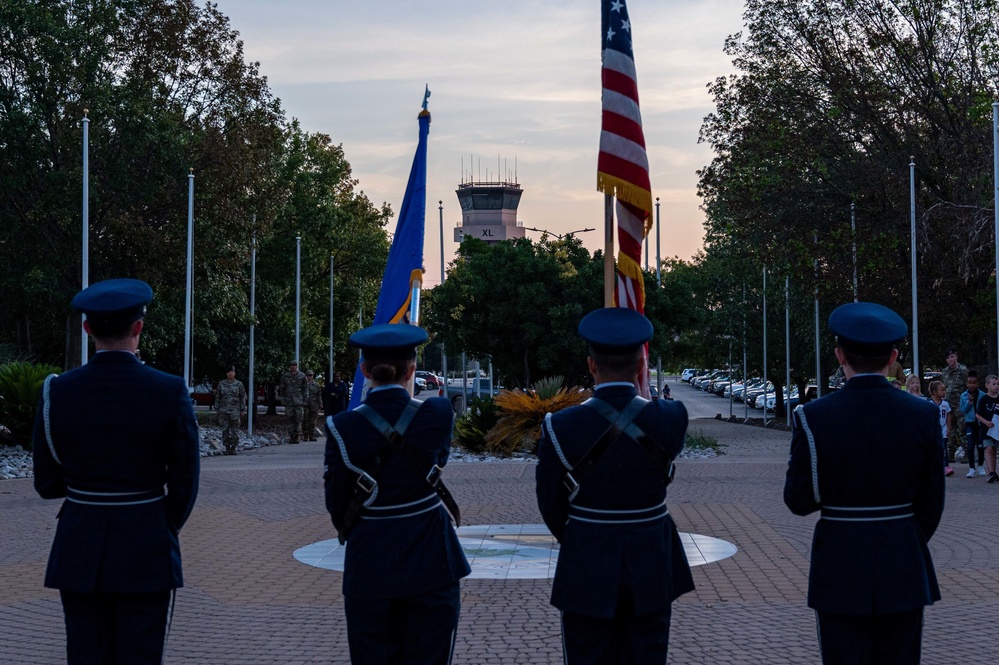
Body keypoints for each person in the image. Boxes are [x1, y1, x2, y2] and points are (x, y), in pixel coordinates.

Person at [32, 278, 200, 664]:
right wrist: (160, 522)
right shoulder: (169, 390)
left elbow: (46, 481)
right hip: (146, 544)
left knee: (86, 654)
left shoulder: (57, 391)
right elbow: (185, 481)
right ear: (139, 327)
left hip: (79, 541)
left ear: (88, 328)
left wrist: (84, 493)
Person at [785, 302, 943, 664]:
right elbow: (932, 502)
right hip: (903, 561)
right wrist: (899, 535)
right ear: (893, 356)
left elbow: (799, 499)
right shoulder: (923, 414)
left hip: (839, 564)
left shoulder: (813, 416)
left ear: (840, 354)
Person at [536, 308, 694, 664]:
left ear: (591, 366)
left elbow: (551, 505)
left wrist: (584, 535)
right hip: (651, 563)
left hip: (588, 562)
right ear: (642, 367)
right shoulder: (672, 418)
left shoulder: (560, 426)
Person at [324, 323, 469, 665]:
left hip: (371, 563)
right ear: (412, 370)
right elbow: (440, 462)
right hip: (432, 558)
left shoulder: (342, 427)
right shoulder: (438, 413)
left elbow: (337, 504)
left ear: (364, 370)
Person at [941, 348, 968, 471]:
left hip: (959, 404)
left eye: (953, 357)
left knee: (962, 427)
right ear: (946, 360)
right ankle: (950, 453)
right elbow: (943, 386)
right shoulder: (945, 372)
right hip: (948, 404)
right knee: (950, 429)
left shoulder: (963, 370)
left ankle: (967, 452)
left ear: (956, 357)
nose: (951, 359)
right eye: (949, 358)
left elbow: (968, 386)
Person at [214, 366, 247, 455]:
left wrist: (242, 409)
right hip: (223, 411)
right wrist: (217, 408)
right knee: (225, 430)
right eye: (228, 372)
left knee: (235, 431)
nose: (230, 373)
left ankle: (233, 447)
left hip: (235, 411)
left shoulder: (239, 384)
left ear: (234, 373)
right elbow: (217, 397)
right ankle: (227, 447)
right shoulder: (221, 384)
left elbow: (242, 397)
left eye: (232, 371)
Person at [960, 370, 985, 478]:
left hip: (980, 424)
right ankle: (971, 468)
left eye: (974, 383)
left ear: (978, 384)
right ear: (966, 384)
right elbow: (962, 410)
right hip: (969, 423)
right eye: (970, 383)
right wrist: (969, 402)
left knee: (980, 446)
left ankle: (980, 466)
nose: (972, 385)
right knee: (970, 446)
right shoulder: (964, 395)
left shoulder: (982, 395)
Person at [974, 374, 999, 483]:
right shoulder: (983, 399)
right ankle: (991, 472)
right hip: (986, 430)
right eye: (994, 384)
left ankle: (994, 471)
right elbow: (978, 415)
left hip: (997, 430)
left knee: (994, 450)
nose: (996, 386)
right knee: (989, 449)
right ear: (987, 385)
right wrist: (986, 422)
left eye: (998, 384)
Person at [928, 380, 954, 476]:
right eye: (941, 390)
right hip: (933, 431)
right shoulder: (929, 403)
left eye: (944, 390)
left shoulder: (945, 404)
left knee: (943, 448)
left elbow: (948, 416)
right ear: (935, 392)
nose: (944, 392)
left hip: (943, 430)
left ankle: (946, 466)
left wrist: (948, 428)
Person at [279, 360, 308, 444]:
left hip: (299, 401)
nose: (293, 367)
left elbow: (305, 389)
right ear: (289, 367)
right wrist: (283, 399)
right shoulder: (286, 376)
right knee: (290, 419)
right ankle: (291, 435)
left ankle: (297, 435)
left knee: (298, 419)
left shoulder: (302, 376)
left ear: (297, 366)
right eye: (291, 365)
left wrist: (305, 400)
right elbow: (282, 388)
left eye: (294, 365)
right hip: (289, 401)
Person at [303, 370, 322, 441]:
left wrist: (320, 404)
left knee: (313, 421)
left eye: (311, 375)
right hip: (305, 405)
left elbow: (319, 395)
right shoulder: (303, 385)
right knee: (305, 420)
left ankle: (312, 435)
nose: (309, 377)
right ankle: (305, 435)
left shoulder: (316, 385)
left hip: (314, 405)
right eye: (308, 375)